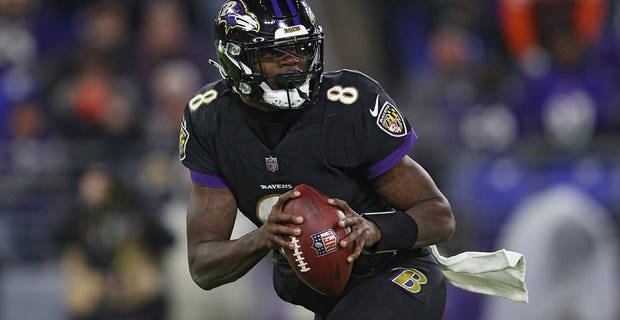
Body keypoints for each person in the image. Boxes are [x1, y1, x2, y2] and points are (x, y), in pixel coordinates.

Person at [178, 0, 456, 319]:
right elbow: (202, 265)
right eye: (275, 53)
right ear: (236, 58)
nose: (294, 63)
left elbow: (439, 216)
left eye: (301, 49)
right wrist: (263, 238)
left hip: (396, 274)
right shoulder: (210, 121)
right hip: (328, 297)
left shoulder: (348, 104)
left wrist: (373, 229)